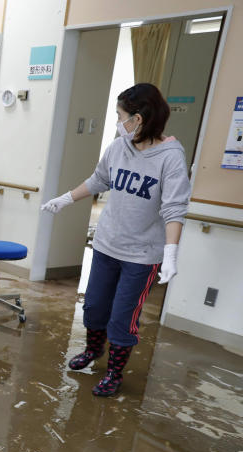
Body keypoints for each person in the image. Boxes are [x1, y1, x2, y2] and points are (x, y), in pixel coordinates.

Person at [41, 83, 189, 397]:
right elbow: (100, 179)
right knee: (94, 307)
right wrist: (66, 198)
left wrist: (171, 253)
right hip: (107, 245)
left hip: (142, 256)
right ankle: (94, 351)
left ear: (139, 118)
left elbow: (175, 206)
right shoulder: (118, 146)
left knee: (123, 318)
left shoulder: (171, 157)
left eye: (121, 116)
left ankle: (114, 373)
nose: (118, 123)